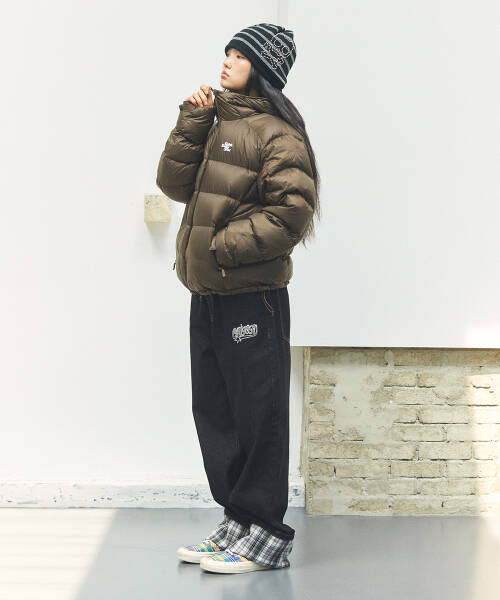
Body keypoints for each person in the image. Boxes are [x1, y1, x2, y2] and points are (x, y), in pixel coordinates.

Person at [156, 23, 320, 574]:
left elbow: (291, 213)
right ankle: (238, 520)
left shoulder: (278, 135)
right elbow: (174, 185)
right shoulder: (218, 123)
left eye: (239, 54)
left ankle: (266, 533)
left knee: (258, 413)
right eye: (226, 52)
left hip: (253, 296)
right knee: (215, 410)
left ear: (263, 67)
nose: (226, 61)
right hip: (208, 294)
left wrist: (221, 247)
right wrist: (192, 121)